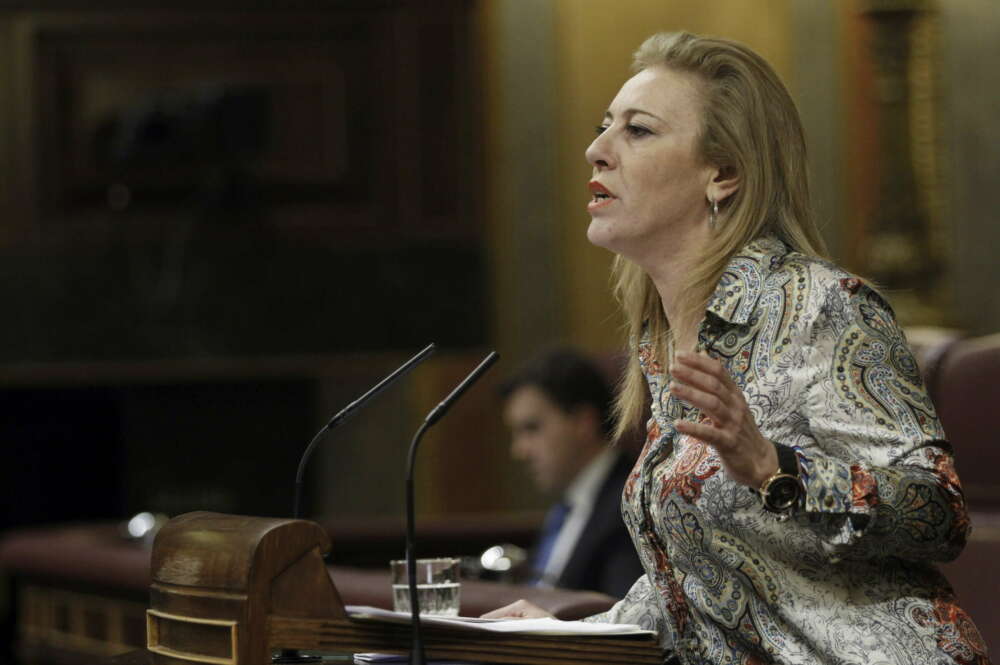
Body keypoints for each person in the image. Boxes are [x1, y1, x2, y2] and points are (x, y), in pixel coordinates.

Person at [483, 31, 990, 665]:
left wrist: (777, 469)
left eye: (637, 131)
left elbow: (938, 515)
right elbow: (710, 587)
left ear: (722, 174)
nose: (596, 150)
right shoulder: (663, 344)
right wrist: (577, 631)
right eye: (602, 125)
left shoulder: (819, 305)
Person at [499, 348, 644, 598]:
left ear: (583, 422)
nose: (519, 450)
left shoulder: (628, 503)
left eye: (531, 428)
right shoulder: (568, 508)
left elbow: (621, 612)